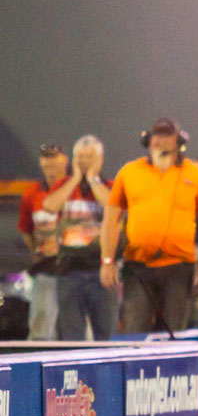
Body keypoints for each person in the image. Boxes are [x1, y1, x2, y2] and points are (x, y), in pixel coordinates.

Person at [99, 118, 198, 334]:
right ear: (148, 141)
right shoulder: (129, 172)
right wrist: (107, 261)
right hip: (138, 267)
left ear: (179, 143)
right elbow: (110, 220)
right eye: (157, 137)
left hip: (178, 268)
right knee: (134, 334)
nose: (160, 142)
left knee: (174, 335)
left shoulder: (196, 175)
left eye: (166, 137)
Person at [41, 135, 118, 340]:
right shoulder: (64, 185)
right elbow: (50, 205)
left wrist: (92, 180)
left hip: (100, 269)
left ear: (100, 160)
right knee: (71, 333)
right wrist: (74, 179)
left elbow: (113, 205)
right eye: (80, 157)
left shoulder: (109, 185)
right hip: (69, 269)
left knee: (106, 333)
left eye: (89, 157)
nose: (84, 162)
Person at [18, 143, 67, 340]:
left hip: (77, 269)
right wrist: (38, 251)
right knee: (41, 328)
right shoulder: (32, 194)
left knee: (81, 330)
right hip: (46, 269)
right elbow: (26, 231)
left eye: (54, 157)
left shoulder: (77, 189)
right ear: (41, 162)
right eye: (46, 158)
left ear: (64, 160)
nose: (50, 162)